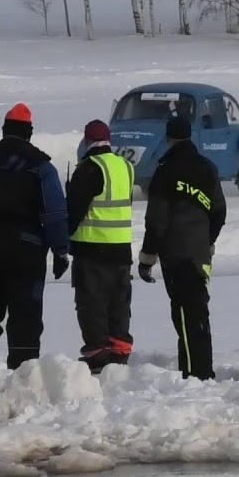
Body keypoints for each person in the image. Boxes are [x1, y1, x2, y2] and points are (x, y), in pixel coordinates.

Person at [0, 103, 69, 373]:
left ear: (4, 130)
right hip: (27, 251)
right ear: (29, 133)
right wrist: (60, 250)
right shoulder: (41, 167)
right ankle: (23, 378)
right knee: (25, 316)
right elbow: (54, 213)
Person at [137, 116, 227, 381]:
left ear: (168, 138)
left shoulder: (165, 170)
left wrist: (147, 258)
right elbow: (219, 212)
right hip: (199, 253)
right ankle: (202, 371)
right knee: (199, 311)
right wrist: (206, 240)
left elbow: (156, 220)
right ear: (190, 136)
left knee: (185, 314)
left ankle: (193, 375)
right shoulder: (207, 167)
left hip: (175, 254)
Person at [65, 119, 137, 374]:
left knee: (91, 303)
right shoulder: (126, 167)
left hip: (92, 249)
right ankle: (120, 349)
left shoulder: (89, 169)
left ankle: (97, 352)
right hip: (121, 249)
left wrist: (62, 240)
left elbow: (73, 213)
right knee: (118, 303)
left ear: (86, 141)